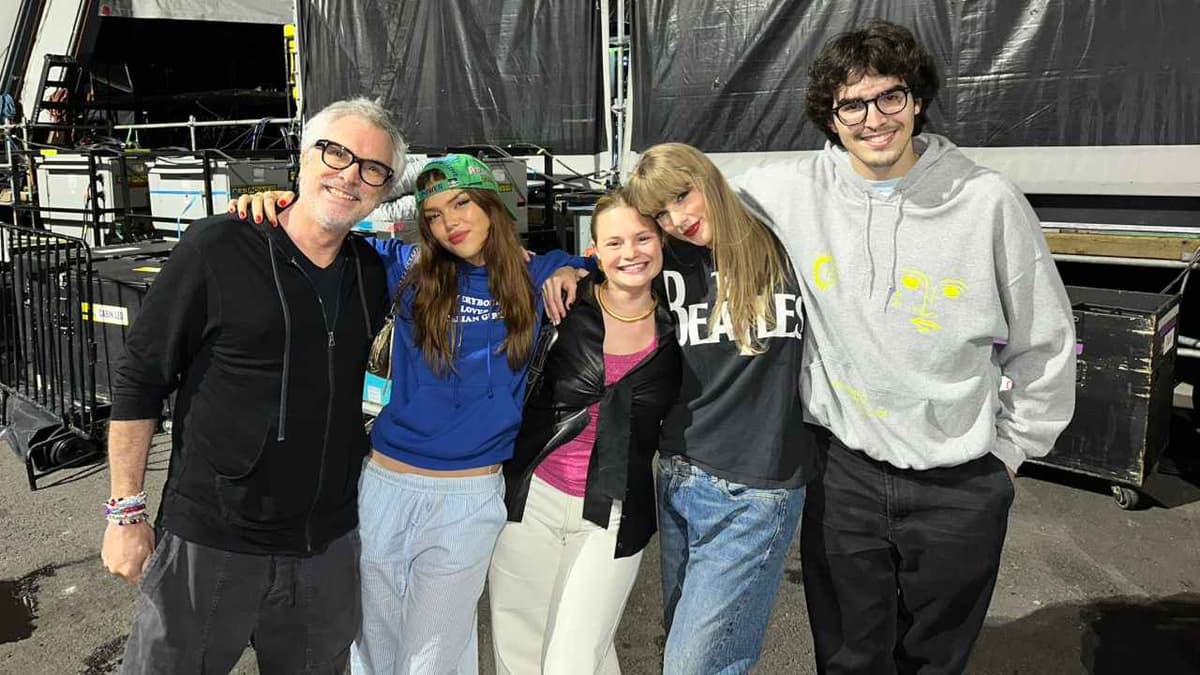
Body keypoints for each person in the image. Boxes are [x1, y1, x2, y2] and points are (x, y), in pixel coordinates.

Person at [731, 19, 1077, 674]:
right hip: (844, 474)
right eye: (852, 104)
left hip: (961, 481)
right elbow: (681, 203)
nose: (874, 118)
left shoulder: (988, 202)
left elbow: (1046, 341)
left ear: (917, 99)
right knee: (848, 659)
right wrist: (570, 267)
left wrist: (1008, 455)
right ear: (830, 117)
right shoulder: (791, 191)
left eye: (890, 96)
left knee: (936, 660)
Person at [233, 154, 591, 674]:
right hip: (386, 486)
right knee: (374, 649)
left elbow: (614, 261)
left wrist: (572, 266)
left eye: (463, 203)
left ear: (492, 203)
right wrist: (278, 205)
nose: (452, 224)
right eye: (436, 215)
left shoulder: (537, 271)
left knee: (431, 657)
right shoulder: (410, 268)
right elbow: (320, 236)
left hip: (469, 498)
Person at [100, 97, 400, 674]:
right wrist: (125, 511)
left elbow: (473, 255)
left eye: (371, 168)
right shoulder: (218, 247)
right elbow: (140, 377)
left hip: (325, 546)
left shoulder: (370, 270)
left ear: (383, 191)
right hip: (211, 538)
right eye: (335, 153)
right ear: (303, 156)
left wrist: (556, 269)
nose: (348, 175)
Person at [546, 143, 817, 674]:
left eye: (683, 197)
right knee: (692, 647)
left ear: (707, 178)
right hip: (680, 479)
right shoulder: (673, 260)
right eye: (663, 214)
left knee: (695, 664)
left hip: (759, 490)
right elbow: (613, 255)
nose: (680, 219)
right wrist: (561, 267)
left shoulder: (787, 243)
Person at [489, 191, 682, 674]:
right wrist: (565, 269)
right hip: (532, 498)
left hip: (613, 510)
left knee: (574, 658)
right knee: (520, 648)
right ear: (593, 250)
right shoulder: (563, 304)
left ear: (661, 240)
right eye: (614, 242)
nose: (631, 252)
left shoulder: (681, 321)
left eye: (642, 238)